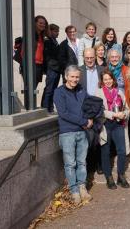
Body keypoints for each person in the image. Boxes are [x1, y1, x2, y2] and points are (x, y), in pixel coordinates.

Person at [53, 65, 93, 204]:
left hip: (82, 132)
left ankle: (82, 187)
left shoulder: (81, 90)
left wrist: (91, 117)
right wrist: (84, 121)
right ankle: (74, 191)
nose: (75, 79)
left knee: (82, 162)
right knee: (70, 164)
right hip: (68, 133)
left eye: (77, 77)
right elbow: (63, 113)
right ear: (66, 76)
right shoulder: (59, 92)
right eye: (72, 77)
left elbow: (89, 105)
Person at [95, 69, 130, 189]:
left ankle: (121, 176)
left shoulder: (119, 92)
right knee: (105, 152)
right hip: (106, 125)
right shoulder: (98, 93)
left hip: (118, 124)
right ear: (102, 81)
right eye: (105, 79)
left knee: (121, 151)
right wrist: (113, 114)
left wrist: (124, 114)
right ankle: (109, 178)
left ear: (113, 80)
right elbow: (99, 111)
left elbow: (127, 108)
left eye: (109, 79)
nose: (108, 81)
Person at [79, 48, 105, 189]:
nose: (89, 60)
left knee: (100, 137)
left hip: (99, 107)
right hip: (85, 109)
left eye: (92, 57)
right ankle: (90, 167)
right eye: (87, 58)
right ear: (83, 57)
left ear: (96, 57)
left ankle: (100, 165)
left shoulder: (102, 69)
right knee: (89, 139)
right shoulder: (79, 71)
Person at [41, 23, 61, 113]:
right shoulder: (48, 41)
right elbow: (49, 57)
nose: (57, 33)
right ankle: (45, 107)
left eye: (58, 31)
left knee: (53, 89)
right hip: (52, 68)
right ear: (51, 31)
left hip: (57, 69)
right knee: (49, 89)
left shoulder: (54, 41)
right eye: (56, 31)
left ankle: (50, 107)